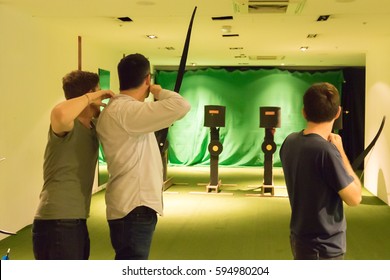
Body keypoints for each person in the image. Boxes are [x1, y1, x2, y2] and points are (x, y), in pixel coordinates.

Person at [96, 53, 191, 260]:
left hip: (129, 205)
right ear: (147, 79)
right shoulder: (127, 111)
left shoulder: (122, 110)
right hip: (134, 207)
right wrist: (158, 90)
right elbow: (181, 106)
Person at [32, 70, 114, 260]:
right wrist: (92, 96)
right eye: (98, 92)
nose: (101, 97)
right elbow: (59, 113)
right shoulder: (67, 125)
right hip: (57, 221)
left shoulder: (93, 127)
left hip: (75, 220)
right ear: (88, 95)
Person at [279, 82, 362, 260]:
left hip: (300, 239)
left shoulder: (290, 142)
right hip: (323, 248)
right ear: (338, 112)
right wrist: (340, 151)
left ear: (304, 112)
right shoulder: (326, 151)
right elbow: (355, 198)